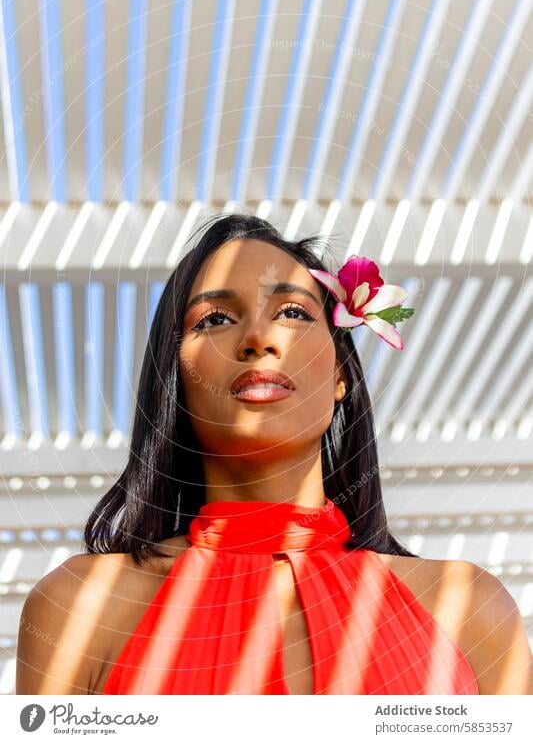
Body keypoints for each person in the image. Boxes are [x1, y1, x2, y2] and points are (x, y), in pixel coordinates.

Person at [16, 213, 533, 695]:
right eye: (214, 319)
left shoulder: (470, 609)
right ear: (177, 381)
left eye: (292, 312)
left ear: (339, 376)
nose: (257, 338)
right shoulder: (78, 608)